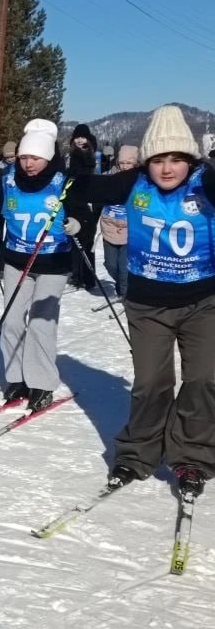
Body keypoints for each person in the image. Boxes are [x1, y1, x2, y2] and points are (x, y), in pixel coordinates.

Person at [69, 106, 215, 497]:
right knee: (152, 382)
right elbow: (81, 188)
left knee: (203, 379)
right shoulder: (132, 183)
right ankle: (137, 455)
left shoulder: (206, 183)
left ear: (191, 160)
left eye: (177, 159)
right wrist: (82, 160)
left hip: (204, 302)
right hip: (148, 304)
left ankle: (192, 457)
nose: (167, 169)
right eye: (159, 160)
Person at [0, 119, 83, 412]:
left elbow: (82, 208)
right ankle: (17, 378)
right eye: (24, 157)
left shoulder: (63, 180)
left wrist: (76, 223)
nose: (28, 164)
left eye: (35, 158)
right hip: (17, 260)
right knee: (11, 320)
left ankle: (42, 383)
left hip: (54, 261)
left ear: (47, 157)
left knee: (41, 323)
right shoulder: (8, 179)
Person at [98, 145, 139, 298]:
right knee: (110, 265)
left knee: (124, 267)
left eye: (129, 163)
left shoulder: (140, 181)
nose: (125, 166)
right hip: (109, 226)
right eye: (122, 163)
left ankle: (125, 294)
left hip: (129, 229)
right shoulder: (109, 177)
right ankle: (124, 286)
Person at [67, 124, 100, 290]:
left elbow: (87, 172)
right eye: (77, 137)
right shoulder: (72, 153)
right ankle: (77, 275)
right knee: (75, 240)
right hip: (74, 200)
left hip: (89, 200)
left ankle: (88, 276)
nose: (80, 140)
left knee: (87, 241)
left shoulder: (90, 153)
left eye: (83, 137)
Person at [0, 140, 17, 277]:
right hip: (2, 202)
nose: (10, 159)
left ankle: (7, 261)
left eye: (12, 156)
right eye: (7, 157)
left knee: (11, 232)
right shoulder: (0, 165)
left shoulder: (21, 166)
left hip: (15, 204)